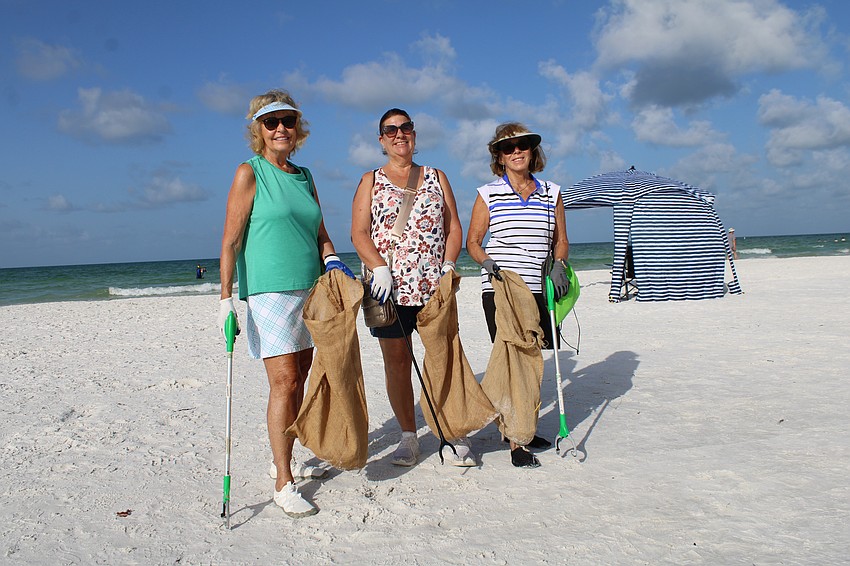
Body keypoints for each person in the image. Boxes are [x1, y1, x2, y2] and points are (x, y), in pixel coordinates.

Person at [218, 89, 354, 518]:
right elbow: (231, 240)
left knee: (304, 376)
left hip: (311, 288)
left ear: (298, 129)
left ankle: (288, 453)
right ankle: (283, 479)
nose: (280, 129)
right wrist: (225, 299)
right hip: (269, 292)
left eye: (287, 122)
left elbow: (319, 231)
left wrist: (333, 259)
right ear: (258, 130)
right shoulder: (249, 172)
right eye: (271, 122)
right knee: (286, 383)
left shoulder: (305, 175)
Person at [351, 108, 472, 467]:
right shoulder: (370, 180)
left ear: (415, 135)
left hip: (433, 287)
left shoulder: (436, 176)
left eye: (405, 128)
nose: (398, 134)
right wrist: (379, 269)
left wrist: (449, 265)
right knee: (397, 363)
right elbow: (358, 233)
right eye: (390, 130)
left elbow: (453, 227)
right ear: (381, 139)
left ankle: (453, 430)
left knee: (443, 358)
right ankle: (408, 436)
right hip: (388, 292)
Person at [466, 122, 570, 468]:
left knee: (532, 361)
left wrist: (560, 265)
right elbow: (473, 242)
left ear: (532, 150)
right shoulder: (488, 193)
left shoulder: (552, 192)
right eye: (508, 148)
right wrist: (487, 262)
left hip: (538, 289)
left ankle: (520, 427)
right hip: (501, 289)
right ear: (499, 155)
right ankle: (516, 441)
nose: (516, 152)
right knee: (512, 361)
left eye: (522, 145)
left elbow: (560, 240)